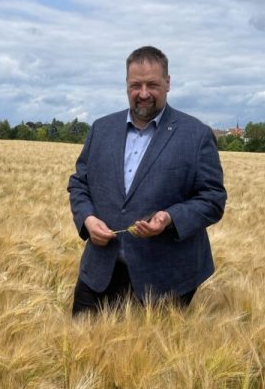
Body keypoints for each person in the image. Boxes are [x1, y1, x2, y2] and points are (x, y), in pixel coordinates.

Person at [67, 46, 227, 316]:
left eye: (152, 84)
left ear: (168, 83)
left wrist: (169, 218)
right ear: (126, 85)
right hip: (100, 271)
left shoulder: (196, 135)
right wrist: (87, 219)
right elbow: (79, 184)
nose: (143, 93)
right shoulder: (101, 129)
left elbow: (213, 198)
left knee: (155, 357)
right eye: (135, 85)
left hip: (167, 278)